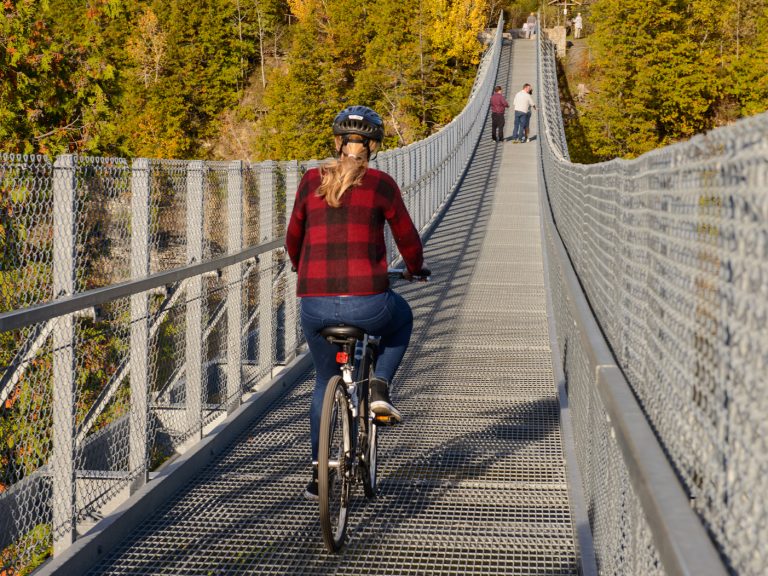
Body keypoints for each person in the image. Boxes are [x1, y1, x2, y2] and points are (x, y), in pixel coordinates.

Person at [285, 105, 429, 500]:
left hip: (313, 303)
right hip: (368, 302)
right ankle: (379, 387)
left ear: (337, 143)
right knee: (401, 320)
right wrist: (415, 268)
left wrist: (305, 270)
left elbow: (292, 237)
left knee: (321, 380)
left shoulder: (312, 179)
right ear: (374, 148)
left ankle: (318, 473)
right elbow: (406, 235)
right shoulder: (380, 183)